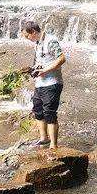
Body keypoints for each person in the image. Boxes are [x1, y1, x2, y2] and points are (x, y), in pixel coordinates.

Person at [21, 20, 66, 150]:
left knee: (50, 113)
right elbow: (42, 61)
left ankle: (53, 145)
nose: (26, 38)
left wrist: (45, 70)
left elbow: (62, 58)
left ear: (33, 32)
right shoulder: (37, 43)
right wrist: (33, 69)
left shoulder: (50, 41)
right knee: (38, 111)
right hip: (40, 83)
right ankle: (43, 138)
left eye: (27, 36)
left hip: (52, 83)